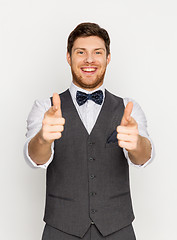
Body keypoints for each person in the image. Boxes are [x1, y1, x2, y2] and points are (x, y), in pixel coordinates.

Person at [24, 22, 154, 240]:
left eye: (98, 52)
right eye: (80, 52)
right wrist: (44, 140)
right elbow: (35, 158)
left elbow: (144, 157)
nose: (89, 60)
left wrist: (137, 143)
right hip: (61, 228)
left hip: (118, 228)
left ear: (108, 58)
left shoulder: (129, 108)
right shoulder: (44, 108)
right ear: (68, 57)